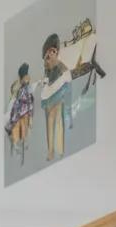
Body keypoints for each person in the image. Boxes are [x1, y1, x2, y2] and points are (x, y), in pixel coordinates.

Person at [38, 32, 73, 161]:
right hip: (49, 96)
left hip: (59, 95)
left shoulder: (60, 65)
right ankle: (51, 150)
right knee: (50, 121)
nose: (50, 55)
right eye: (48, 53)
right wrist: (45, 82)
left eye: (53, 52)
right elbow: (47, 78)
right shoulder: (47, 66)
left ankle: (60, 150)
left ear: (56, 52)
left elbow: (66, 77)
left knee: (58, 120)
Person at [5, 62, 34, 164]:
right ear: (23, 78)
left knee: (24, 129)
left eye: (28, 75)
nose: (28, 77)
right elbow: (20, 102)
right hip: (20, 113)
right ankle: (16, 146)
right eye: (26, 76)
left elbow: (29, 100)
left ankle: (22, 143)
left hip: (25, 113)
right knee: (17, 129)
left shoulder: (27, 88)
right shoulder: (21, 90)